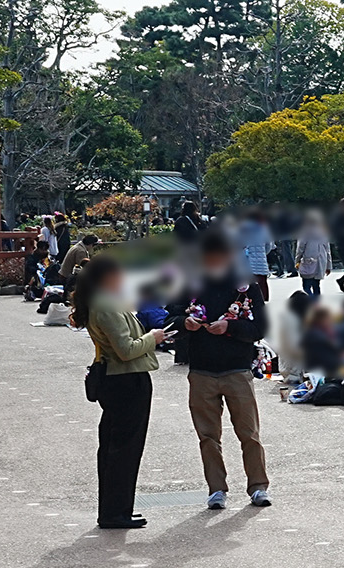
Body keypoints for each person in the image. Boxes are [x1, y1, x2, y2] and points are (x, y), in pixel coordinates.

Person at [178, 230, 271, 510]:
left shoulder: (245, 286)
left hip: (237, 369)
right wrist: (185, 322)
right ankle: (216, 489)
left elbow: (261, 328)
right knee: (208, 436)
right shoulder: (191, 284)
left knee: (249, 433)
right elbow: (169, 316)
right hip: (202, 370)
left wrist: (230, 327)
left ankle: (258, 486)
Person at [75, 253, 167, 530]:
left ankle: (118, 510)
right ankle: (115, 512)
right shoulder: (105, 304)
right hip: (125, 380)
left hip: (122, 380)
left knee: (117, 447)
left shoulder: (106, 301)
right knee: (123, 449)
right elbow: (126, 350)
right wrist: (154, 337)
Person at [238, 210, 273, 301]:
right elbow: (269, 244)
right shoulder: (264, 229)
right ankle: (263, 301)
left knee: (248, 284)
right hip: (261, 261)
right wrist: (263, 254)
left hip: (246, 261)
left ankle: (248, 303)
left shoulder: (242, 229)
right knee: (262, 283)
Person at [296, 211, 331, 297]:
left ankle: (311, 300)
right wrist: (328, 265)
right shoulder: (323, 232)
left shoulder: (305, 232)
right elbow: (328, 250)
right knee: (316, 285)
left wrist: (297, 260)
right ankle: (317, 304)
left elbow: (300, 247)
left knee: (306, 286)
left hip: (309, 260)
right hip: (321, 262)